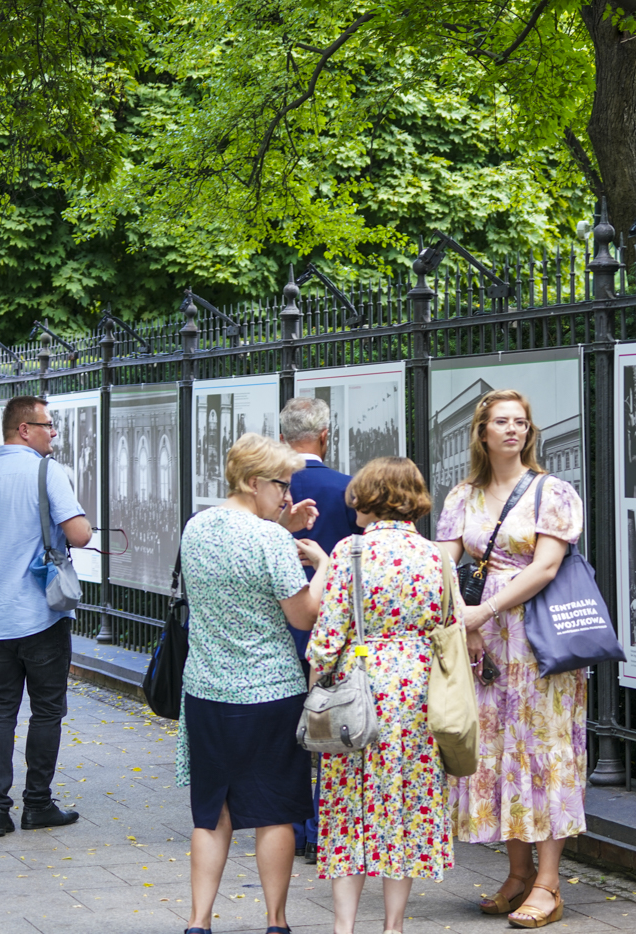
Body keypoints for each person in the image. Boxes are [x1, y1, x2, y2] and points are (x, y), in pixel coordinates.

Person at [436, 388, 585, 929]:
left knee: (544, 753)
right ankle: (518, 875)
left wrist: (488, 610)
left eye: (521, 422)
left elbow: (545, 567)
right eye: (501, 421)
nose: (513, 430)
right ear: (482, 432)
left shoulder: (553, 492)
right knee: (499, 753)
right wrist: (465, 622)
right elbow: (443, 564)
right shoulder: (463, 496)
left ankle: (548, 884)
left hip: (537, 641)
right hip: (485, 648)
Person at [177, 432, 326, 934]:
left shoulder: (196, 527)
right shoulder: (270, 540)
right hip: (270, 693)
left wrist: (283, 527)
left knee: (211, 812)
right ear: (252, 481)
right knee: (274, 813)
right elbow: (304, 615)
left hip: (206, 691)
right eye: (281, 485)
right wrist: (323, 567)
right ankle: (276, 921)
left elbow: (239, 559)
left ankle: (198, 921)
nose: (287, 496)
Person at [307, 457, 455, 934]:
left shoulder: (351, 551)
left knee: (347, 805)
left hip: (360, 686)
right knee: (405, 804)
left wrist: (316, 688)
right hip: (416, 689)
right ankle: (393, 926)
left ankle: (344, 927)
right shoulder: (437, 556)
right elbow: (449, 626)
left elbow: (328, 637)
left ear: (368, 498)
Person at [0, 395, 93, 836]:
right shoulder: (46, 472)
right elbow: (79, 533)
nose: (53, 432)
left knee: (0, 708)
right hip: (41, 614)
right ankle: (37, 803)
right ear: (24, 429)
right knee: (47, 709)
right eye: (47, 424)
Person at [278, 394, 359, 859]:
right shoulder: (347, 489)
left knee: (287, 726)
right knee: (329, 723)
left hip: (281, 618)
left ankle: (291, 826)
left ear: (283, 435)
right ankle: (322, 821)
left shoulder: (270, 488)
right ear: (326, 436)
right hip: (332, 623)